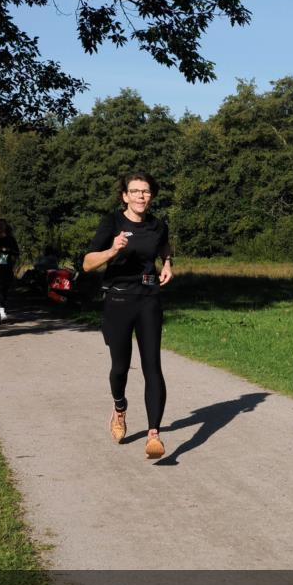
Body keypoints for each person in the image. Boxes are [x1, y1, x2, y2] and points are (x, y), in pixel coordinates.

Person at [83, 172, 173, 458]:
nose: (140, 196)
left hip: (149, 298)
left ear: (152, 195)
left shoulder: (158, 225)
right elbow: (87, 264)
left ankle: (153, 435)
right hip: (118, 299)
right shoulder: (112, 223)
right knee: (120, 367)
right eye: (134, 191)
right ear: (124, 196)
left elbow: (164, 246)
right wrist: (112, 250)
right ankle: (119, 407)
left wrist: (168, 262)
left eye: (145, 191)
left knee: (152, 367)